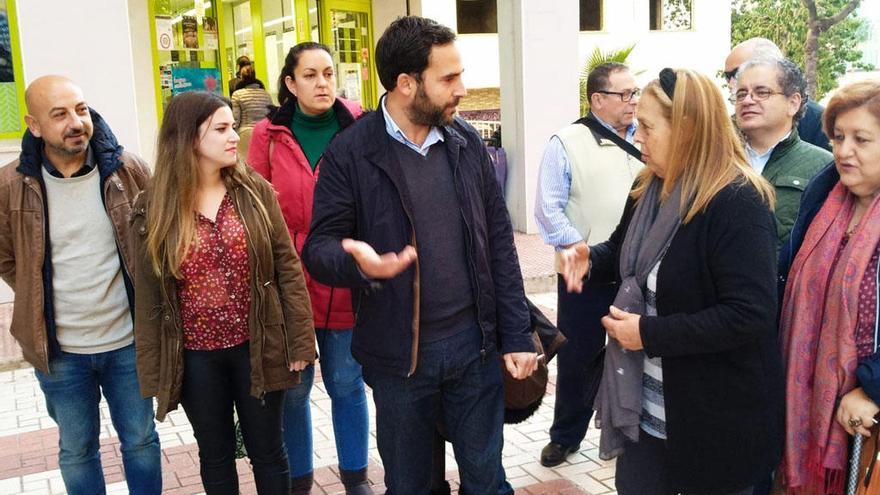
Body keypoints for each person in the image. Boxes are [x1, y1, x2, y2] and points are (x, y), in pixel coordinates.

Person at [301, 16, 538, 495]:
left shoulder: (465, 141)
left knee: (487, 481)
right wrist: (355, 261)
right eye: (448, 79)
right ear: (406, 84)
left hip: (476, 348)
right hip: (399, 361)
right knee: (410, 486)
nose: (463, 90)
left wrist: (516, 334)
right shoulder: (351, 152)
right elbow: (318, 248)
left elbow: (499, 244)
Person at [559, 68, 784, 495]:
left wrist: (647, 333)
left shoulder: (737, 202)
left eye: (645, 126)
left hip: (714, 424)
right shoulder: (649, 187)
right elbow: (626, 256)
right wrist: (589, 259)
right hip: (645, 416)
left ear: (687, 129)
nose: (636, 136)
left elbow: (749, 315)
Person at [132, 91, 316, 494]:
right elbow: (148, 298)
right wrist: (151, 371)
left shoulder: (255, 192)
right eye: (221, 128)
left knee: (268, 451)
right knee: (214, 456)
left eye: (232, 126)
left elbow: (287, 268)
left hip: (259, 344)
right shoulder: (153, 207)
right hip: (197, 357)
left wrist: (300, 342)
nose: (234, 136)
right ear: (188, 139)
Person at [0, 75, 161, 494]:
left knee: (141, 442)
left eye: (81, 109)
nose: (76, 122)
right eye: (60, 115)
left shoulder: (128, 170)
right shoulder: (10, 185)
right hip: (60, 353)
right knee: (77, 450)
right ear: (34, 125)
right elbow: (4, 256)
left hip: (127, 342)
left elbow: (157, 237)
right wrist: (36, 290)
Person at [247, 42, 370, 495]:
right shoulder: (267, 133)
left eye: (328, 73)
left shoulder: (356, 124)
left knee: (345, 381)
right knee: (294, 389)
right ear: (290, 83)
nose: (323, 83)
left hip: (342, 273)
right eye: (311, 75)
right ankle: (299, 480)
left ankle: (355, 476)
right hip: (290, 278)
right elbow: (255, 205)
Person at [533, 61, 643, 467]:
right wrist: (583, 250)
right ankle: (566, 435)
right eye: (625, 94)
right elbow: (548, 210)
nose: (634, 101)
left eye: (636, 93)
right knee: (579, 354)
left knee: (636, 352)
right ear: (598, 99)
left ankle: (631, 433)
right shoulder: (567, 141)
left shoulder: (649, 138)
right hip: (585, 271)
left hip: (637, 274)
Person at [777, 80, 880, 495]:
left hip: (865, 427)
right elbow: (783, 281)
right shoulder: (823, 198)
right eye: (838, 136)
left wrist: (873, 388)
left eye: (861, 139)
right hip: (800, 410)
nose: (843, 150)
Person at [732, 57, 831, 248]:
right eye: (741, 94)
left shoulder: (823, 166)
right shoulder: (716, 159)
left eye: (761, 92)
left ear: (793, 103)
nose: (747, 100)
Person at [725, 37, 830, 151]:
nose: (730, 84)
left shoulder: (821, 123)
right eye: (727, 76)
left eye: (737, 73)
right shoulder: (728, 132)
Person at [231, 64, 273, 130]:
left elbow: (236, 118)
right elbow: (271, 115)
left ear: (241, 77)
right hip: (264, 132)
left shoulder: (237, 95)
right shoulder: (266, 94)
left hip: (246, 132)